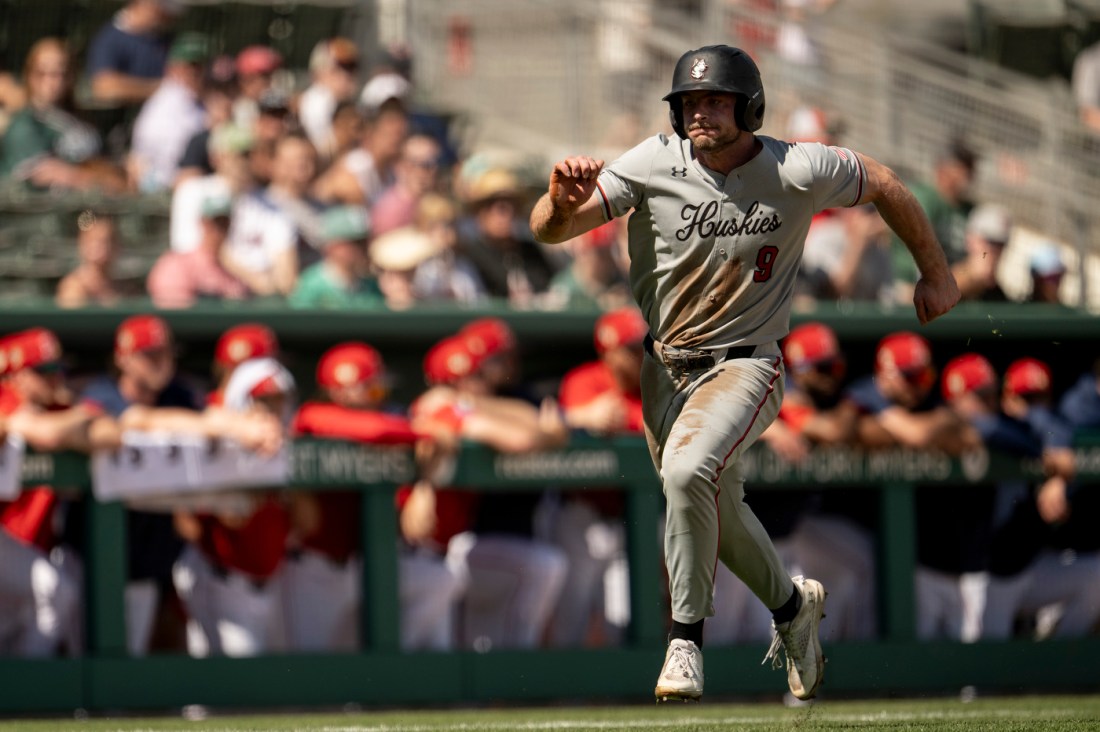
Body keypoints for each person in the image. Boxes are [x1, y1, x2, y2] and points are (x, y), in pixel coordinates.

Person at [528, 44, 960, 702]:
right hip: (663, 370)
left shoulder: (796, 166)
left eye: (714, 99)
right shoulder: (655, 160)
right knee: (717, 515)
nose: (699, 111)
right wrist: (560, 203)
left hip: (746, 364)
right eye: (689, 102)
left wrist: (935, 271)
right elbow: (551, 231)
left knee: (685, 473)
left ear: (748, 105)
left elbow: (886, 183)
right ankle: (791, 610)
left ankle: (683, 642)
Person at [289, 342, 463, 651]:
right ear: (341, 392)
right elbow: (373, 431)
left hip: (363, 565)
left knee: (437, 579)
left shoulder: (393, 423)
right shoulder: (312, 416)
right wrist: (425, 430)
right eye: (372, 392)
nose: (380, 399)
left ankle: (397, 676)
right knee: (314, 668)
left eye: (381, 391)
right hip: (315, 569)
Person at [0, 328, 120, 657]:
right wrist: (84, 413)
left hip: (26, 545)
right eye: (44, 371)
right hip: (8, 539)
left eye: (59, 370)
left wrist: (76, 414)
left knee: (37, 610)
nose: (56, 379)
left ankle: (25, 696)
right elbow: (45, 434)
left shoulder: (54, 409)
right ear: (16, 374)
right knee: (54, 591)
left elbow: (111, 435)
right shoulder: (5, 396)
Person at [0, 38, 126, 192]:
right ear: (29, 75)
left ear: (71, 76)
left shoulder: (81, 120)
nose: (52, 81)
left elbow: (108, 166)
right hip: (53, 212)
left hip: (93, 204)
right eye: (42, 73)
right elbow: (40, 180)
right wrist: (89, 178)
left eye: (61, 73)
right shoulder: (25, 125)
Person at [128, 32, 209, 193]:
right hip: (164, 188)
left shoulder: (198, 99)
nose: (195, 72)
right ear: (172, 68)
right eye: (189, 66)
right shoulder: (165, 105)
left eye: (200, 66)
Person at [147, 194, 250, 308]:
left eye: (225, 222)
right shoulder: (176, 264)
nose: (220, 229)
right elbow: (172, 308)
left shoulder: (233, 269)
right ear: (202, 222)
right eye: (215, 222)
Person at [85, 0, 181, 106]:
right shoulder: (109, 39)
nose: (169, 18)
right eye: (163, 10)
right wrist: (164, 90)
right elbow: (104, 87)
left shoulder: (166, 40)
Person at [289, 205, 383, 308]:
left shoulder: (372, 286)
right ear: (331, 246)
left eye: (365, 242)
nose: (363, 249)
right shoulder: (311, 287)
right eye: (356, 243)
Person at [57, 212, 130, 308]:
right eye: (96, 241)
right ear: (83, 244)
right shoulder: (74, 286)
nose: (104, 248)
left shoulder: (122, 286)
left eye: (110, 241)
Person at [952, 204, 1011, 302]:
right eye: (990, 242)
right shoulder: (946, 282)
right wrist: (973, 281)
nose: (995, 251)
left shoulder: (998, 297)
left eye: (1001, 244)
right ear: (970, 240)